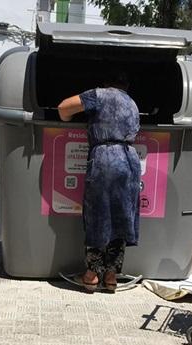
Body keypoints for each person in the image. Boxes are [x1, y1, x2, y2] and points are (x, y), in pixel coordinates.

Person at [57, 70, 141, 292]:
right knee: (121, 217)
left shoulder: (99, 95)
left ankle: (92, 275)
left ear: (106, 83)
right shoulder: (132, 103)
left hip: (105, 158)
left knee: (98, 215)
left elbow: (64, 107)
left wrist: (67, 120)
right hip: (130, 160)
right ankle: (111, 276)